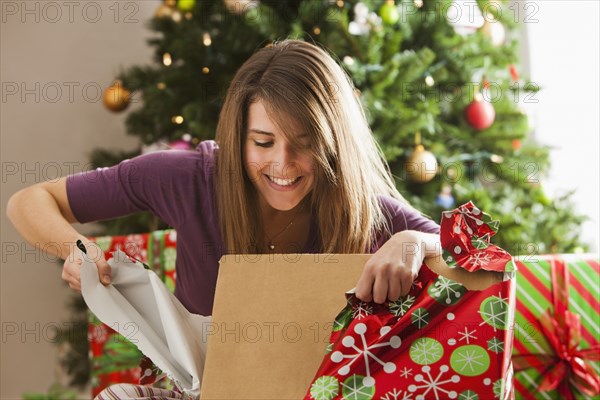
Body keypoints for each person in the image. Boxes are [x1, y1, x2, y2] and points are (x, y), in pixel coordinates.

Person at [6, 39, 443, 399]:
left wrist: (412, 242)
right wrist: (78, 250)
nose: (283, 164)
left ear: (334, 144)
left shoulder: (358, 204)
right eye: (263, 142)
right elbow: (30, 200)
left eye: (304, 143)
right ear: (238, 137)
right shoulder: (191, 179)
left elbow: (480, 253)